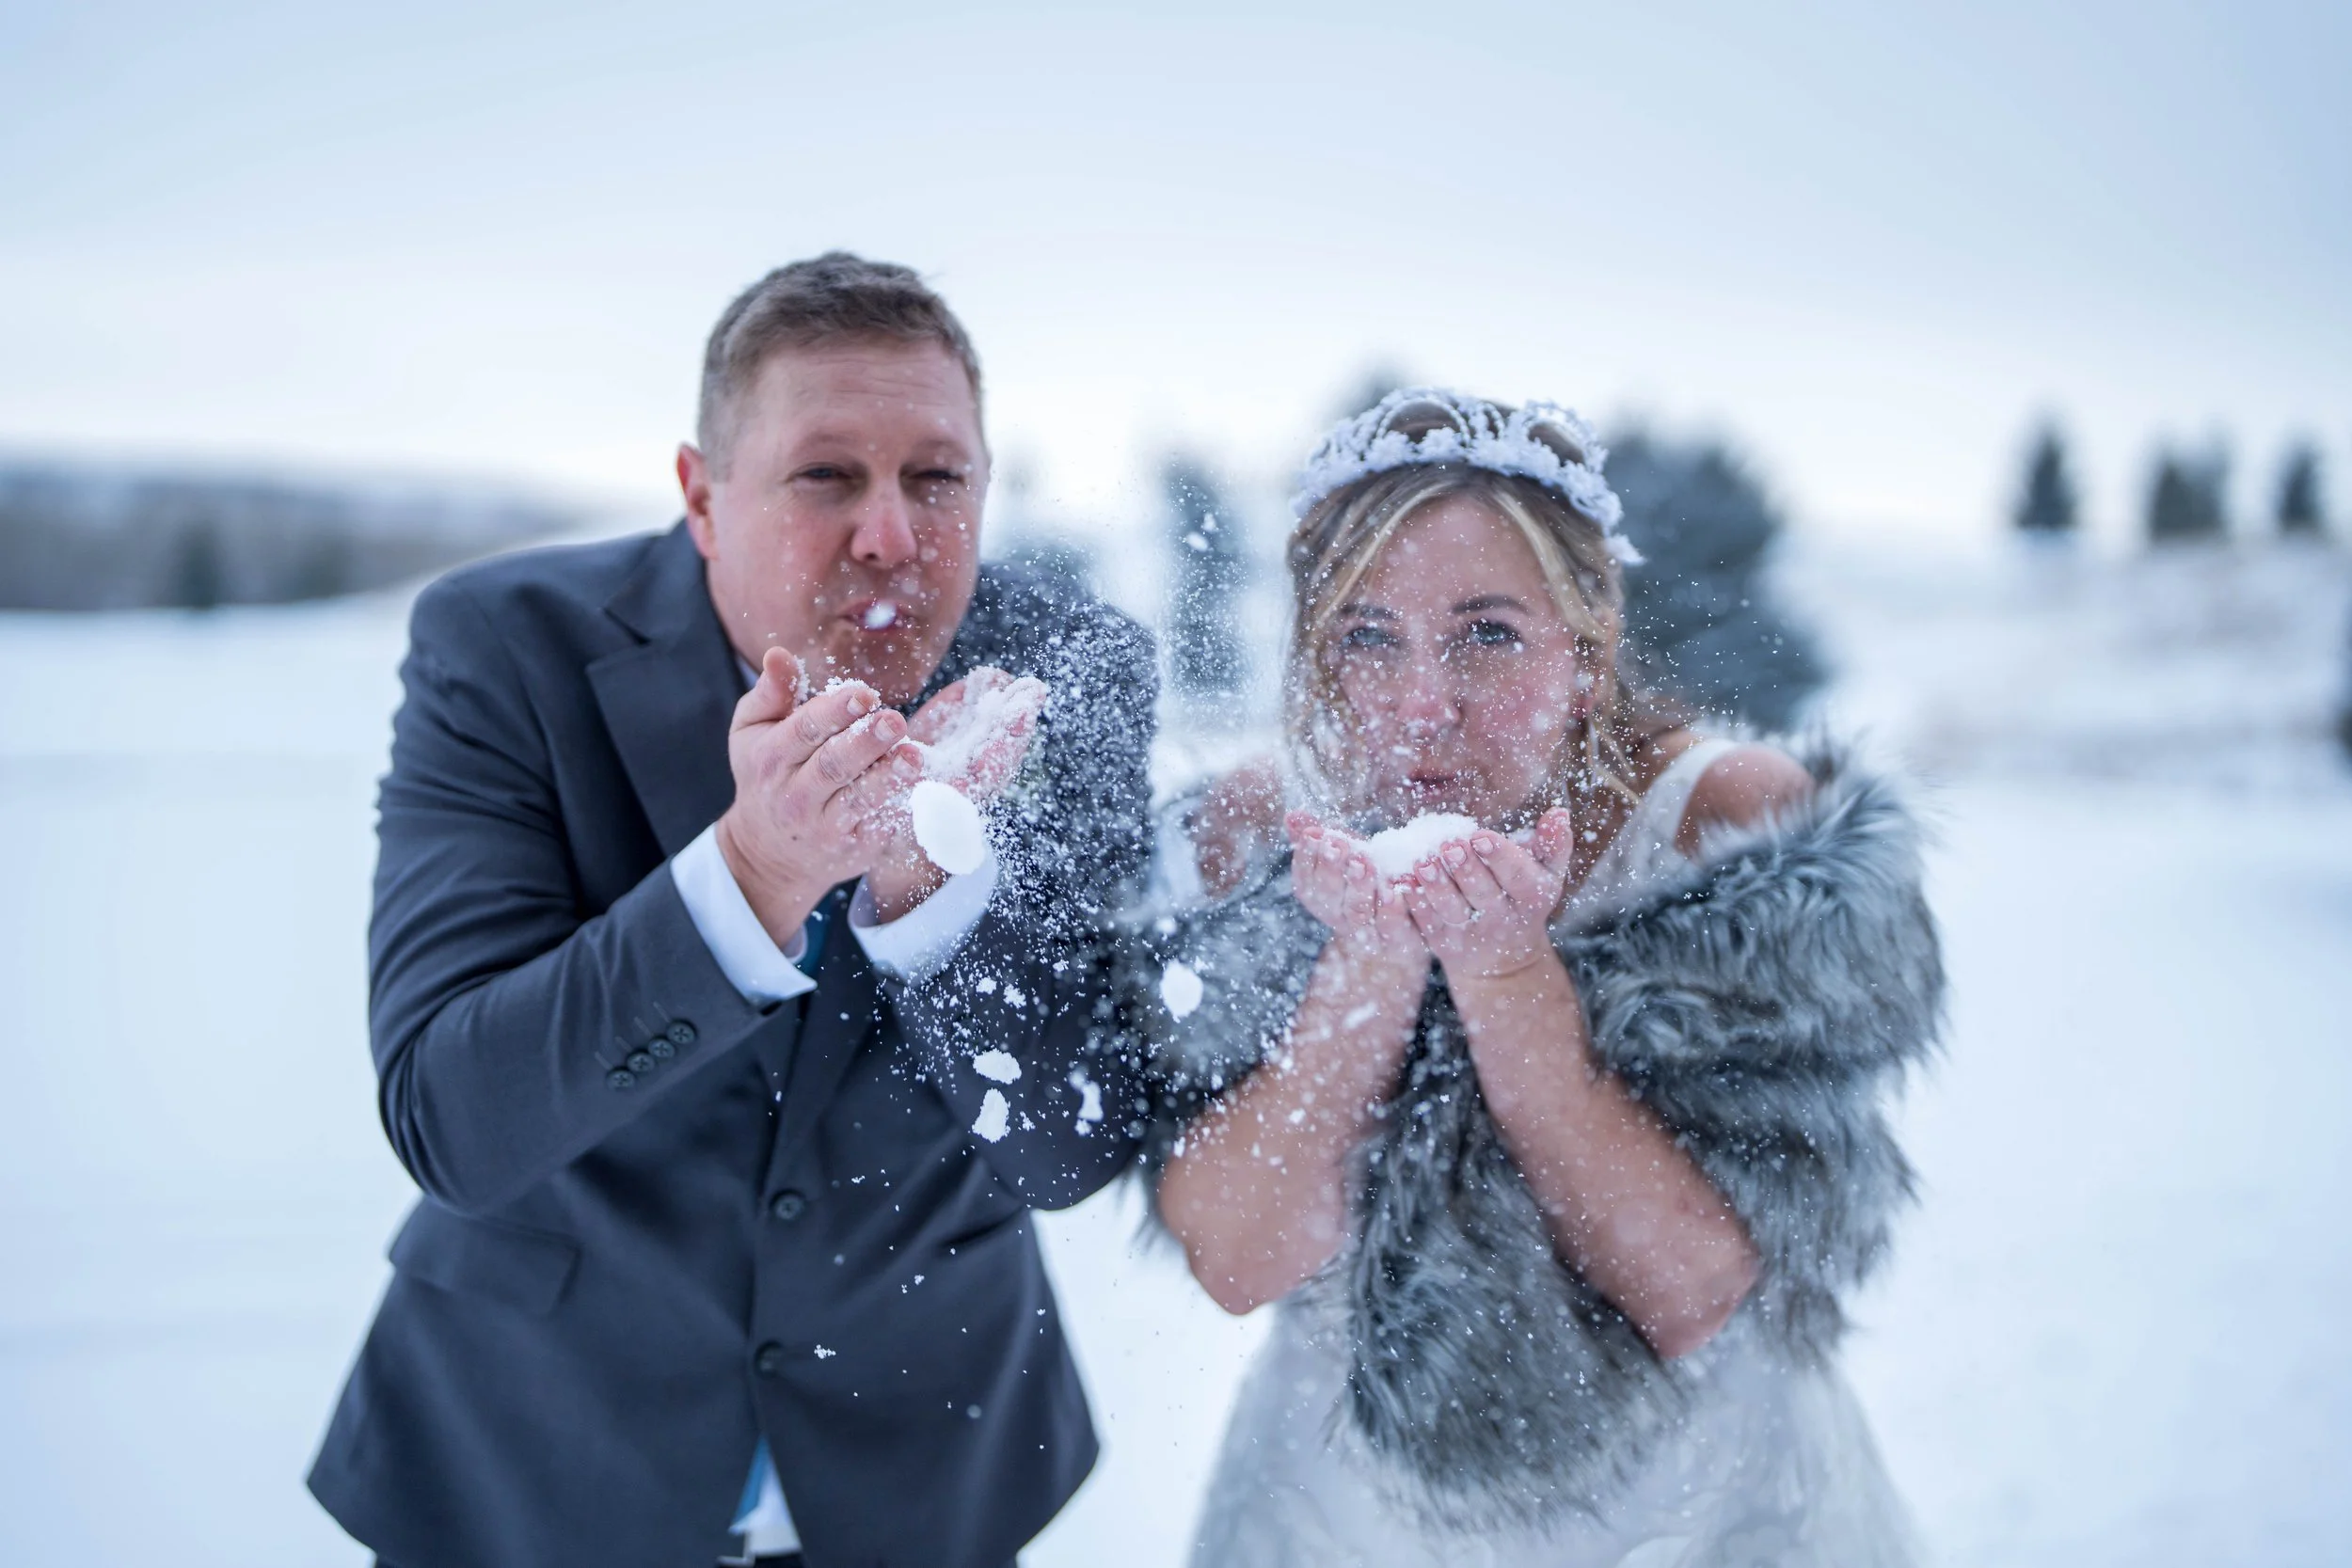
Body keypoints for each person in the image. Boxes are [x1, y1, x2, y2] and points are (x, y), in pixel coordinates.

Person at [307, 253, 1155, 1568]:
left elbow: (1069, 1141)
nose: (892, 533)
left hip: (928, 1475)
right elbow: (454, 1117)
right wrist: (756, 874)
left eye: (937, 477)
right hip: (530, 1465)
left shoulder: (1063, 668)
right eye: (827, 476)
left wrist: (925, 892)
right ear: (703, 497)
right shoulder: (505, 646)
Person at [1141, 390, 1941, 1565]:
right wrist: (1369, 960)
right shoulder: (1261, 835)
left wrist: (1505, 973)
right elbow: (1236, 1257)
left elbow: (1689, 1289)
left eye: (1489, 632)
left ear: (1587, 653)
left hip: (1699, 1511)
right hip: (1348, 1507)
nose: (1424, 705)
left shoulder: (1724, 830)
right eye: (1368, 636)